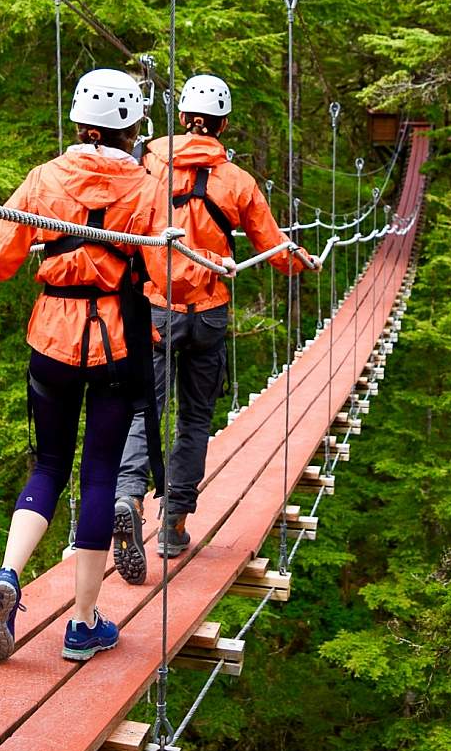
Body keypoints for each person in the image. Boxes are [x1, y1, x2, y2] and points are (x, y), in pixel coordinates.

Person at [0, 68, 160, 663]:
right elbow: (167, 271)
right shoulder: (147, 187)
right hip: (114, 345)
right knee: (101, 472)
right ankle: (82, 626)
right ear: (132, 126)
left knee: (50, 463)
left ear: (78, 119)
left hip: (52, 339)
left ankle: (8, 573)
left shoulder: (45, 179)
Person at [112, 73, 318, 585]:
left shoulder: (148, 161)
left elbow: (121, 217)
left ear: (182, 118)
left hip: (156, 307)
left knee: (145, 408)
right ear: (223, 124)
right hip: (207, 313)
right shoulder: (238, 183)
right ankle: (175, 525)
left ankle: (129, 494)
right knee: (195, 418)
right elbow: (273, 247)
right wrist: (301, 261)